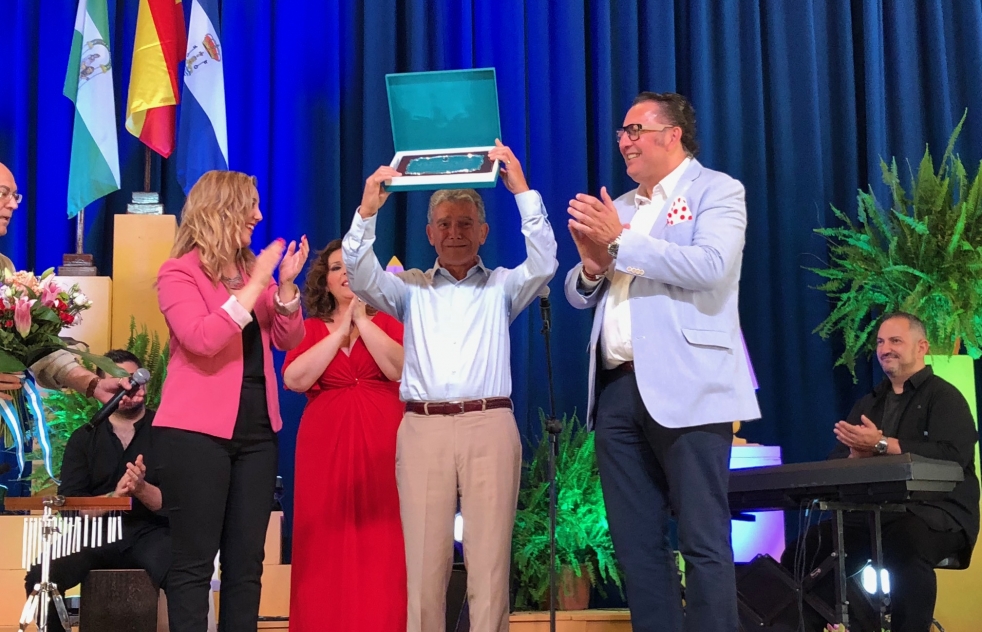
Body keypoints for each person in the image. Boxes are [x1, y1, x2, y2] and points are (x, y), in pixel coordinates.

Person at [343, 139, 558, 632]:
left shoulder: (503, 285)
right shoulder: (409, 288)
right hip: (424, 430)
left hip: (490, 425)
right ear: (429, 233)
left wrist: (521, 190)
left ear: (483, 231)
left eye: (465, 224)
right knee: (424, 570)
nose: (455, 233)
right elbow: (358, 274)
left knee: (489, 570)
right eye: (445, 224)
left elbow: (545, 263)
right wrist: (366, 212)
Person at [564, 92, 760, 632]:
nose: (624, 140)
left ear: (672, 134)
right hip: (617, 390)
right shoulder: (622, 206)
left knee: (702, 539)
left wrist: (619, 243)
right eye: (622, 131)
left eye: (634, 129)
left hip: (690, 386)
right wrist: (589, 267)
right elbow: (582, 294)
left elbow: (711, 266)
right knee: (636, 546)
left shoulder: (717, 190)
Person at [153, 170, 307, 632]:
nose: (259, 215)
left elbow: (287, 338)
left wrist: (283, 289)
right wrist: (258, 280)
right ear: (221, 209)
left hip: (259, 433)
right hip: (195, 435)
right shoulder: (178, 272)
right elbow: (201, 339)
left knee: (247, 565)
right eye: (250, 206)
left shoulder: (248, 274)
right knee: (194, 564)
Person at [781, 313, 980, 632]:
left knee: (905, 543)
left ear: (922, 347)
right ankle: (863, 625)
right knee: (804, 551)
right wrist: (854, 455)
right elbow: (836, 461)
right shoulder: (868, 403)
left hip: (938, 513)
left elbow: (954, 456)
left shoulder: (945, 397)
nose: (885, 348)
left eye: (895, 341)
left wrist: (884, 444)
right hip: (873, 514)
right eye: (880, 342)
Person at [282, 239, 406, 631]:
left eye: (353, 265)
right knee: (324, 541)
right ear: (326, 279)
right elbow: (294, 378)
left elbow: (398, 370)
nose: (345, 273)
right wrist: (339, 333)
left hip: (384, 442)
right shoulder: (311, 328)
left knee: (384, 540)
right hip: (324, 444)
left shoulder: (390, 321)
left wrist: (363, 320)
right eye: (337, 267)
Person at [23, 349, 168, 632]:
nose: (131, 388)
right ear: (104, 389)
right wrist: (115, 497)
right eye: (119, 382)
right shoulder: (84, 437)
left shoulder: (167, 432)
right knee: (42, 575)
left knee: (184, 573)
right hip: (95, 535)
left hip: (151, 533)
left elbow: (176, 502)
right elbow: (72, 506)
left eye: (135, 380)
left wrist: (140, 488)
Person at [0, 161, 133, 403]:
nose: (13, 204)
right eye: (3, 193)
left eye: (14, 195)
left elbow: (38, 348)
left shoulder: (5, 268)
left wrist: (93, 384)